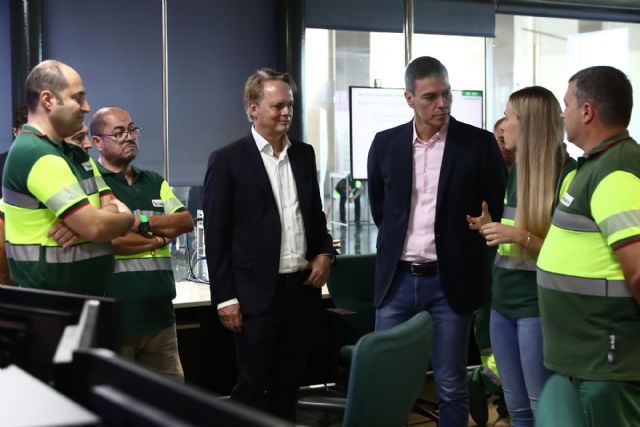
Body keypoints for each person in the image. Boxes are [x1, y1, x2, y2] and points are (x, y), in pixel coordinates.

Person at [367, 56, 506, 426]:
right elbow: (382, 211)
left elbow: (494, 211)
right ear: (409, 98)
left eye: (446, 94)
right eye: (430, 97)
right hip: (397, 280)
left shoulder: (478, 144)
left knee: (450, 384)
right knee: (387, 382)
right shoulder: (385, 144)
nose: (441, 104)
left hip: (450, 282)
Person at [203, 68, 336, 420]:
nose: (286, 113)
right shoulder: (228, 160)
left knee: (289, 384)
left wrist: (325, 253)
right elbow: (216, 235)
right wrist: (225, 297)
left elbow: (315, 216)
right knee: (251, 385)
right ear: (253, 108)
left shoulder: (303, 155)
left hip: (300, 290)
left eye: (289, 105)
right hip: (254, 296)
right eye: (277, 106)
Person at [537, 66, 640, 427]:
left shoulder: (616, 172)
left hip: (607, 363)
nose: (562, 113)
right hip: (589, 359)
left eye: (567, 104)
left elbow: (639, 270)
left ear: (587, 111)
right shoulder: (594, 166)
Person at [468, 86, 575, 427]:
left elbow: (566, 253)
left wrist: (517, 235)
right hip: (503, 303)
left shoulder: (567, 173)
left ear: (528, 124)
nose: (504, 125)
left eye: (510, 116)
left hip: (537, 307)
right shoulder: (515, 171)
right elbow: (513, 242)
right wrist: (492, 228)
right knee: (515, 406)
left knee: (540, 404)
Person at [2, 60, 134, 294]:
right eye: (77, 98)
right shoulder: (34, 153)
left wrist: (90, 220)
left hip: (85, 300)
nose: (86, 107)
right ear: (48, 100)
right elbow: (96, 227)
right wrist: (125, 218)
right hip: (50, 305)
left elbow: (106, 206)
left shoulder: (73, 153)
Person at [91, 106, 193, 381]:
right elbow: (110, 240)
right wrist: (161, 238)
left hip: (159, 315)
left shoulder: (154, 181)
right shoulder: (92, 184)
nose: (129, 137)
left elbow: (185, 222)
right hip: (117, 317)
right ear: (97, 141)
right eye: (119, 132)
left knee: (168, 403)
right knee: (121, 404)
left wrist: (139, 222)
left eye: (132, 129)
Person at [468, 118, 513, 427]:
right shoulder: (483, 176)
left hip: (519, 273)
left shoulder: (529, 176)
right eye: (498, 138)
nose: (503, 144)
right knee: (490, 344)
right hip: (488, 268)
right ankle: (484, 384)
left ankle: (490, 388)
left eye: (505, 137)